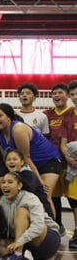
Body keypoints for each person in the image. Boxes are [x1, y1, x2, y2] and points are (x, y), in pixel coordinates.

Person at [0, 103, 61, 220]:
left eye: (0, 116)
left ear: (9, 117)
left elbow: (26, 157)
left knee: (44, 194)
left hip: (48, 160)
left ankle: (54, 228)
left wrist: (39, 181)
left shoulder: (18, 129)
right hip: (29, 163)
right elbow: (6, 156)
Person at [0, 172, 60, 260]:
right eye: (3, 182)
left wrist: (19, 242)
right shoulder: (2, 201)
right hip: (27, 243)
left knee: (22, 211)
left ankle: (18, 255)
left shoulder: (30, 198)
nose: (5, 185)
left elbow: (38, 226)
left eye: (10, 182)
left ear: (19, 185)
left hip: (47, 239)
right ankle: (25, 255)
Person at [44, 83, 73, 236]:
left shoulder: (72, 113)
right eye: (54, 93)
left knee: (72, 197)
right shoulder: (47, 114)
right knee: (53, 196)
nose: (56, 95)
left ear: (67, 96)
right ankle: (58, 224)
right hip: (53, 163)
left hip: (71, 162)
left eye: (60, 92)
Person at [60, 80, 77, 248]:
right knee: (74, 200)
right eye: (72, 95)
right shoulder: (69, 116)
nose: (75, 97)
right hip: (74, 165)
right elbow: (63, 143)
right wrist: (68, 158)